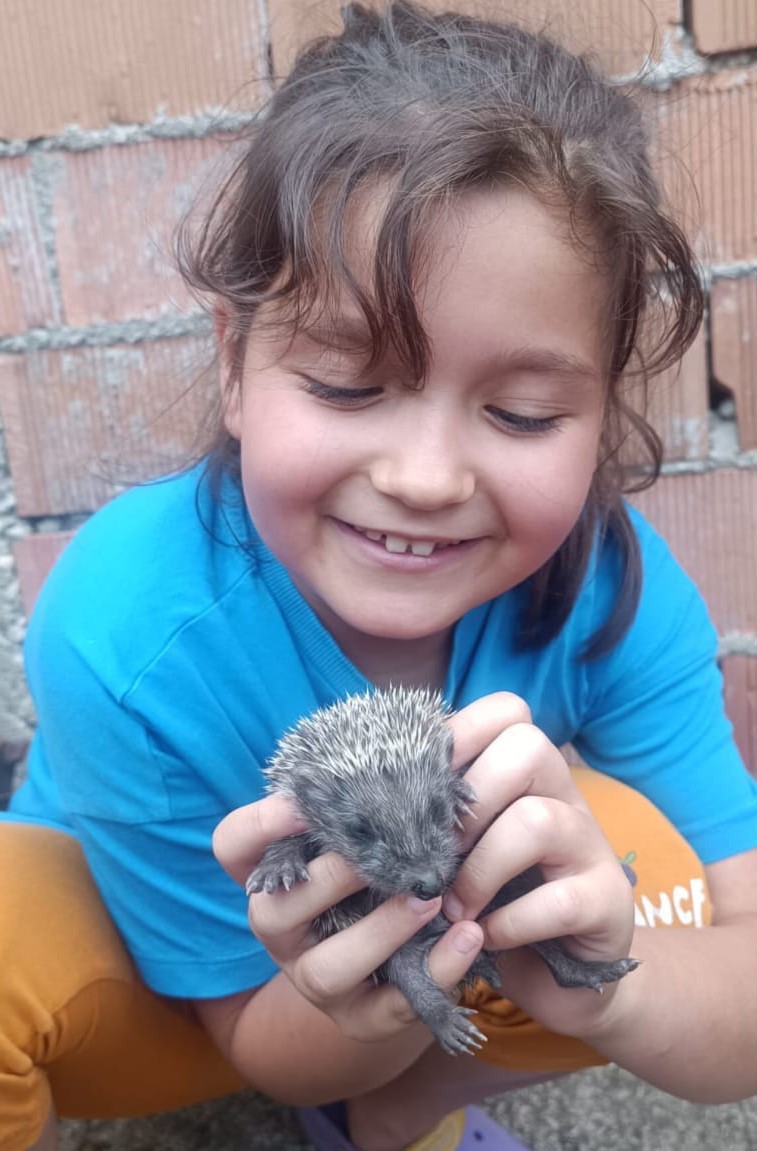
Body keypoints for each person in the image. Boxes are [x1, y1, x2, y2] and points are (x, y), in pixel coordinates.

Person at [2, 4, 756, 1150]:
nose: (421, 476)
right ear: (234, 364)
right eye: (351, 386)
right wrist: (351, 1009)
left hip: (411, 973)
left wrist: (619, 981)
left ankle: (393, 1111)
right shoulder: (118, 621)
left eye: (520, 410)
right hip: (151, 974)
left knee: (620, 857)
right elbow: (246, 1028)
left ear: (604, 412)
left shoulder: (615, 593)